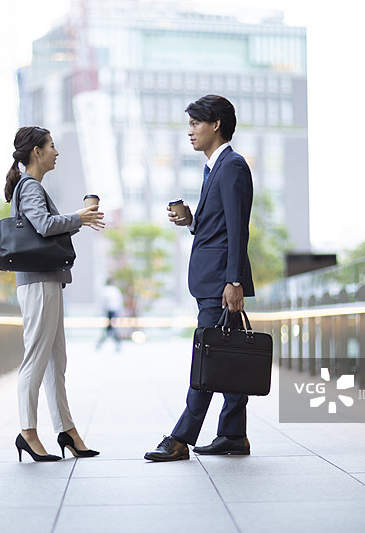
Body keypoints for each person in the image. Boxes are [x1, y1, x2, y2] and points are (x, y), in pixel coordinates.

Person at [144, 95, 255, 462]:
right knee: (229, 354)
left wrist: (234, 281)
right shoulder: (215, 168)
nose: (190, 131)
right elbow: (220, 225)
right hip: (213, 280)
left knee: (207, 356)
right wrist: (192, 218)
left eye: (195, 124)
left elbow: (238, 229)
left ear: (216, 125)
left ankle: (180, 437)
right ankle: (233, 434)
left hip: (221, 284)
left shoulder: (233, 166)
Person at [5, 126, 105, 462]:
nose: (56, 152)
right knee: (36, 358)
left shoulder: (29, 185)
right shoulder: (29, 186)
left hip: (45, 281)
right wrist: (79, 216)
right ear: (36, 151)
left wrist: (79, 218)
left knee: (54, 361)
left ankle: (66, 430)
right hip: (37, 283)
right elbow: (44, 225)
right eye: (51, 146)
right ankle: (27, 432)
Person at [96, 279, 124, 351]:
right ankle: (117, 344)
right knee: (112, 329)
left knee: (109, 329)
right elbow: (119, 302)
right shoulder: (116, 290)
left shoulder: (105, 290)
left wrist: (100, 312)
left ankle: (100, 344)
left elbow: (102, 303)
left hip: (108, 311)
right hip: (114, 311)